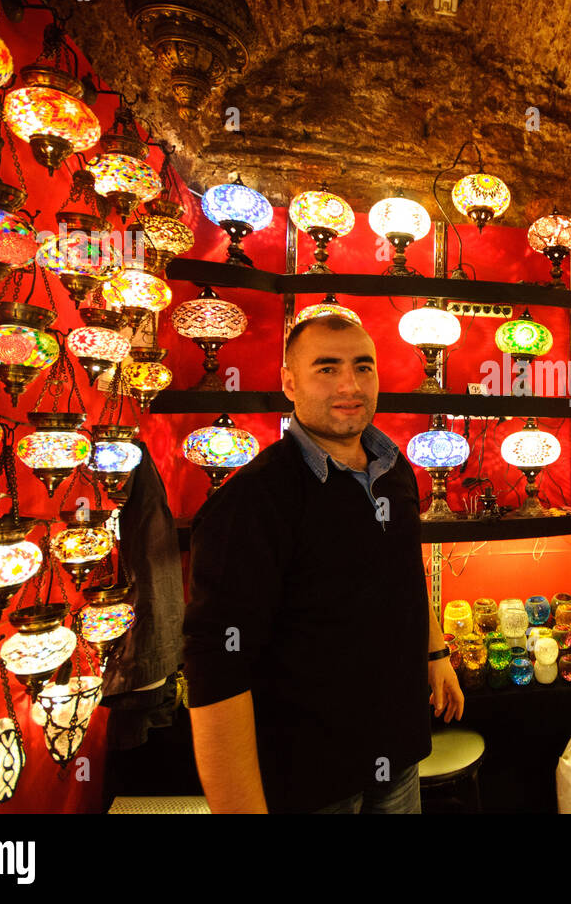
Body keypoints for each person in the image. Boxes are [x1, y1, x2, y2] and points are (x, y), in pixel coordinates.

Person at [182, 313, 464, 813]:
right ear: (289, 381)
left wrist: (435, 652)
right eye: (327, 368)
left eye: (363, 366)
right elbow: (217, 669)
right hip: (307, 774)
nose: (350, 385)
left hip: (397, 748)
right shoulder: (253, 501)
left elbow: (402, 571)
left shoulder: (395, 472)